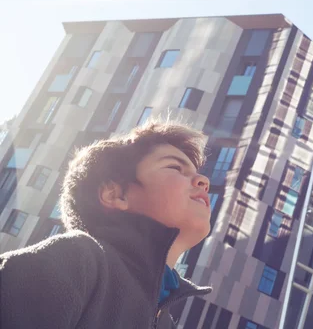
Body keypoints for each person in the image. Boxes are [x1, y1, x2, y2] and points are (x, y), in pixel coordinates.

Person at [0, 120, 213, 328]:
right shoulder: (77, 260)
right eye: (175, 167)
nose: (203, 181)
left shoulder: (164, 318)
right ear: (115, 195)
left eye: (197, 173)